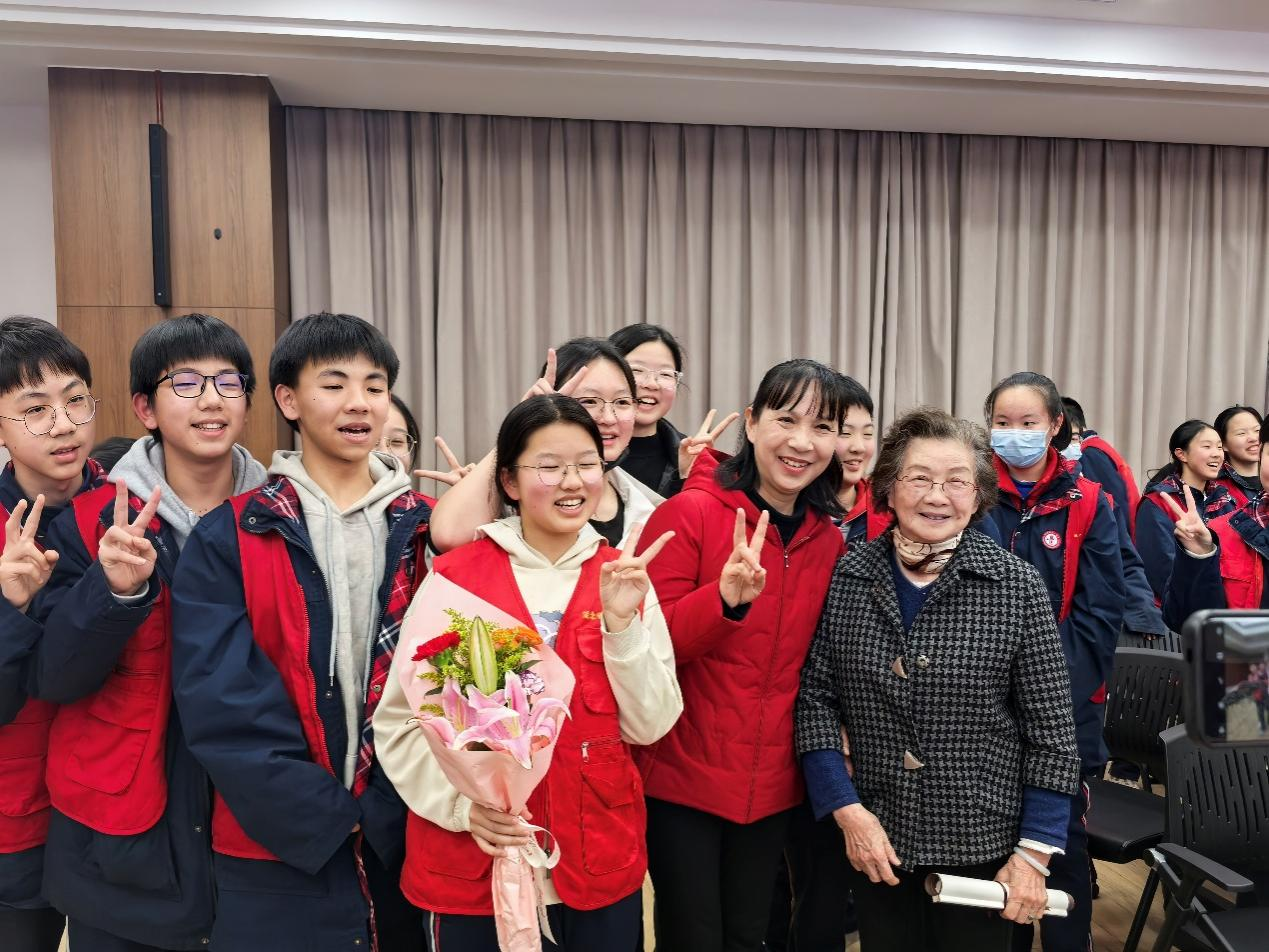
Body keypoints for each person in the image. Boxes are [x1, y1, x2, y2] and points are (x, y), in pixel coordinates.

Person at [374, 394, 682, 950]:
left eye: (586, 464)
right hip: (473, 862)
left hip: (595, 857)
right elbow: (400, 722)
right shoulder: (457, 578)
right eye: (549, 466)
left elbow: (650, 725)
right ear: (509, 482)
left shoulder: (625, 577)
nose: (573, 482)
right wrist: (460, 808)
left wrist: (621, 627)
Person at [169, 312, 430, 951]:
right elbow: (221, 700)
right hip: (277, 847)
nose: (359, 402)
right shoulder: (232, 533)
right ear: (288, 401)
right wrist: (326, 817)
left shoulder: (428, 528)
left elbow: (447, 685)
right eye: (334, 384)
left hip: (406, 835)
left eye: (374, 386)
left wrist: (387, 811)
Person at [795, 407, 1080, 952]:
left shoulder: (1015, 586)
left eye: (956, 481)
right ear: (888, 487)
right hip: (878, 835)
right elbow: (816, 704)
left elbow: (1052, 735)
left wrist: (1034, 853)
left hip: (983, 840)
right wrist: (847, 811)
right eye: (919, 478)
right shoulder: (851, 575)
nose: (937, 496)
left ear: (978, 495)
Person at [29, 314, 266, 952]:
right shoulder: (88, 522)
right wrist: (114, 592)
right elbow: (54, 677)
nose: (211, 399)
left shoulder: (281, 517)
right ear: (145, 408)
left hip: (252, 829)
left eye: (228, 382)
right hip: (120, 843)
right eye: (185, 383)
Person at [634, 358, 850, 952]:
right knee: (693, 937)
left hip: (774, 782)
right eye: (787, 420)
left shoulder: (827, 540)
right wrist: (723, 601)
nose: (802, 442)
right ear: (752, 423)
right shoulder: (690, 512)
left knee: (750, 935)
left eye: (823, 428)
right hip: (682, 778)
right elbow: (647, 647)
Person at [979, 371, 1125, 952]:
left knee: (1061, 845)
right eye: (1002, 422)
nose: (1013, 433)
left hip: (1065, 706)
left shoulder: (1090, 501)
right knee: (996, 848)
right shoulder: (972, 492)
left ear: (1055, 425)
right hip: (984, 703)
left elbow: (1100, 610)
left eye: (1027, 422)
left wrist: (1047, 693)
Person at [0, 315, 106, 952]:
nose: (64, 424)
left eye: (75, 400)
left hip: (113, 811)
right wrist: (9, 606)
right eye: (35, 409)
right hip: (17, 819)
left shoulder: (130, 508)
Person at [767, 371, 878, 952]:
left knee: (822, 884)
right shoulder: (789, 512)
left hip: (838, 726)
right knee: (769, 881)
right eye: (844, 431)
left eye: (865, 432)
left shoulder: (885, 517)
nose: (855, 446)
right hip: (774, 721)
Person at [1060, 398, 1165, 641]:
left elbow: (1122, 556)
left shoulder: (1094, 490)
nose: (1068, 445)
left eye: (1073, 437)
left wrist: (1143, 613)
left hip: (1084, 629)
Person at [1162, 415, 1269, 628]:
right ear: (1260, 454)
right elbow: (1186, 621)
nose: (1215, 454)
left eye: (1218, 447)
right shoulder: (1222, 532)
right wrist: (1199, 557)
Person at [1135, 420, 1236, 601]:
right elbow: (1162, 571)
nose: (1217, 454)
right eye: (1207, 446)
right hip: (1178, 609)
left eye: (1220, 447)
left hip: (1223, 608)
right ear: (1181, 454)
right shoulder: (1158, 502)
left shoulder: (1225, 499)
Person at [1213, 405, 1262, 507]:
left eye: (1257, 430)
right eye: (1241, 433)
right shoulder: (1215, 486)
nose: (1253, 438)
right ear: (1223, 444)